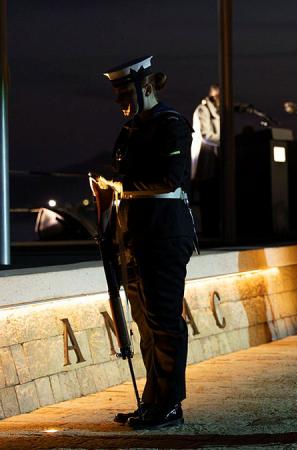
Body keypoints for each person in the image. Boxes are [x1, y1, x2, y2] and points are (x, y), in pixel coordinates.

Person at [102, 55, 196, 429]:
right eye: (117, 95)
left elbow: (171, 179)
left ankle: (170, 404)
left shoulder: (170, 124)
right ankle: (152, 400)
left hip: (163, 235)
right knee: (144, 325)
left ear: (147, 88)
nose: (120, 102)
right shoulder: (130, 130)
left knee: (164, 322)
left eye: (126, 93)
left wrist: (120, 186)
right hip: (134, 239)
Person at [190, 84, 221, 237]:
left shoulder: (215, 111)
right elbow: (206, 135)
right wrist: (226, 141)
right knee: (207, 198)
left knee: (212, 199)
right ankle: (208, 232)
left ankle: (213, 230)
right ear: (214, 96)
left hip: (212, 163)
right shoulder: (203, 110)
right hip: (205, 164)